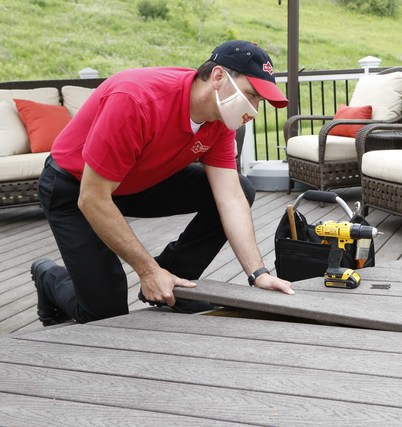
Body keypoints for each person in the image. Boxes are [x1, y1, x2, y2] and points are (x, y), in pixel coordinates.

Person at [31, 40, 295, 326]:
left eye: (258, 101)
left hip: (137, 182)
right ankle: (49, 276)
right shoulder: (136, 100)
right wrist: (146, 271)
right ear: (218, 77)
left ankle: (173, 279)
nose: (253, 108)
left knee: (241, 189)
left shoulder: (219, 120)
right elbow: (92, 198)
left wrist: (259, 274)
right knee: (104, 314)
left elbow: (230, 197)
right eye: (250, 95)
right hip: (75, 188)